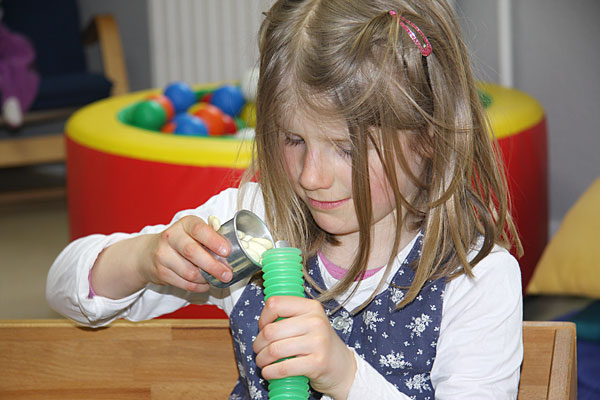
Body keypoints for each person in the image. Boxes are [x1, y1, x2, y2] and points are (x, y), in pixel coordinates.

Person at [46, 0, 524, 398]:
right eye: (293, 139)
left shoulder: (474, 277)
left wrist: (346, 376)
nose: (311, 177)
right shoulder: (254, 226)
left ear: (428, 139)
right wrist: (146, 258)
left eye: (347, 149)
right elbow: (65, 288)